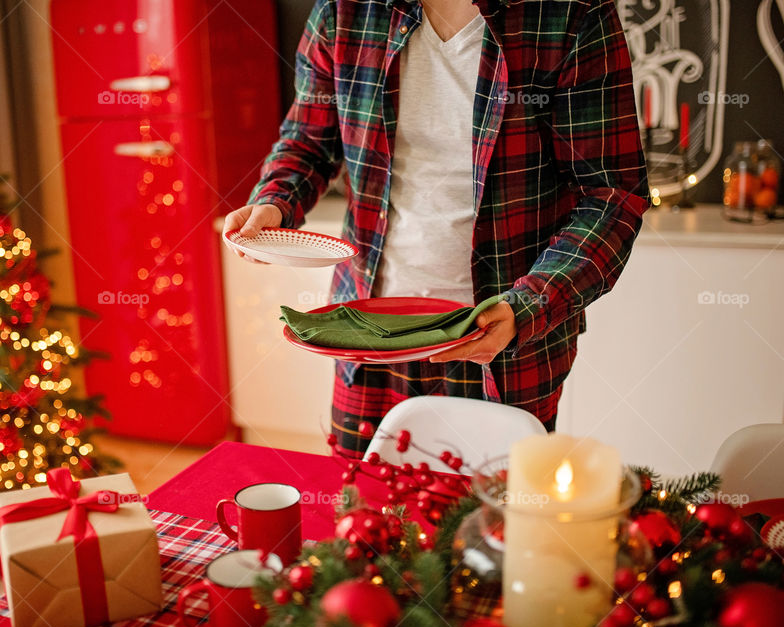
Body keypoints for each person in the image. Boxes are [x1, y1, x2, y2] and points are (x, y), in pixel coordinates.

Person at [223, 0, 649, 456]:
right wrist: (275, 202)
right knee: (361, 511)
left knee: (497, 519)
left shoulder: (573, 13)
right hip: (366, 332)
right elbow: (308, 141)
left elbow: (611, 194)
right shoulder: (343, 10)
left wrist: (529, 305)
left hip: (505, 343)